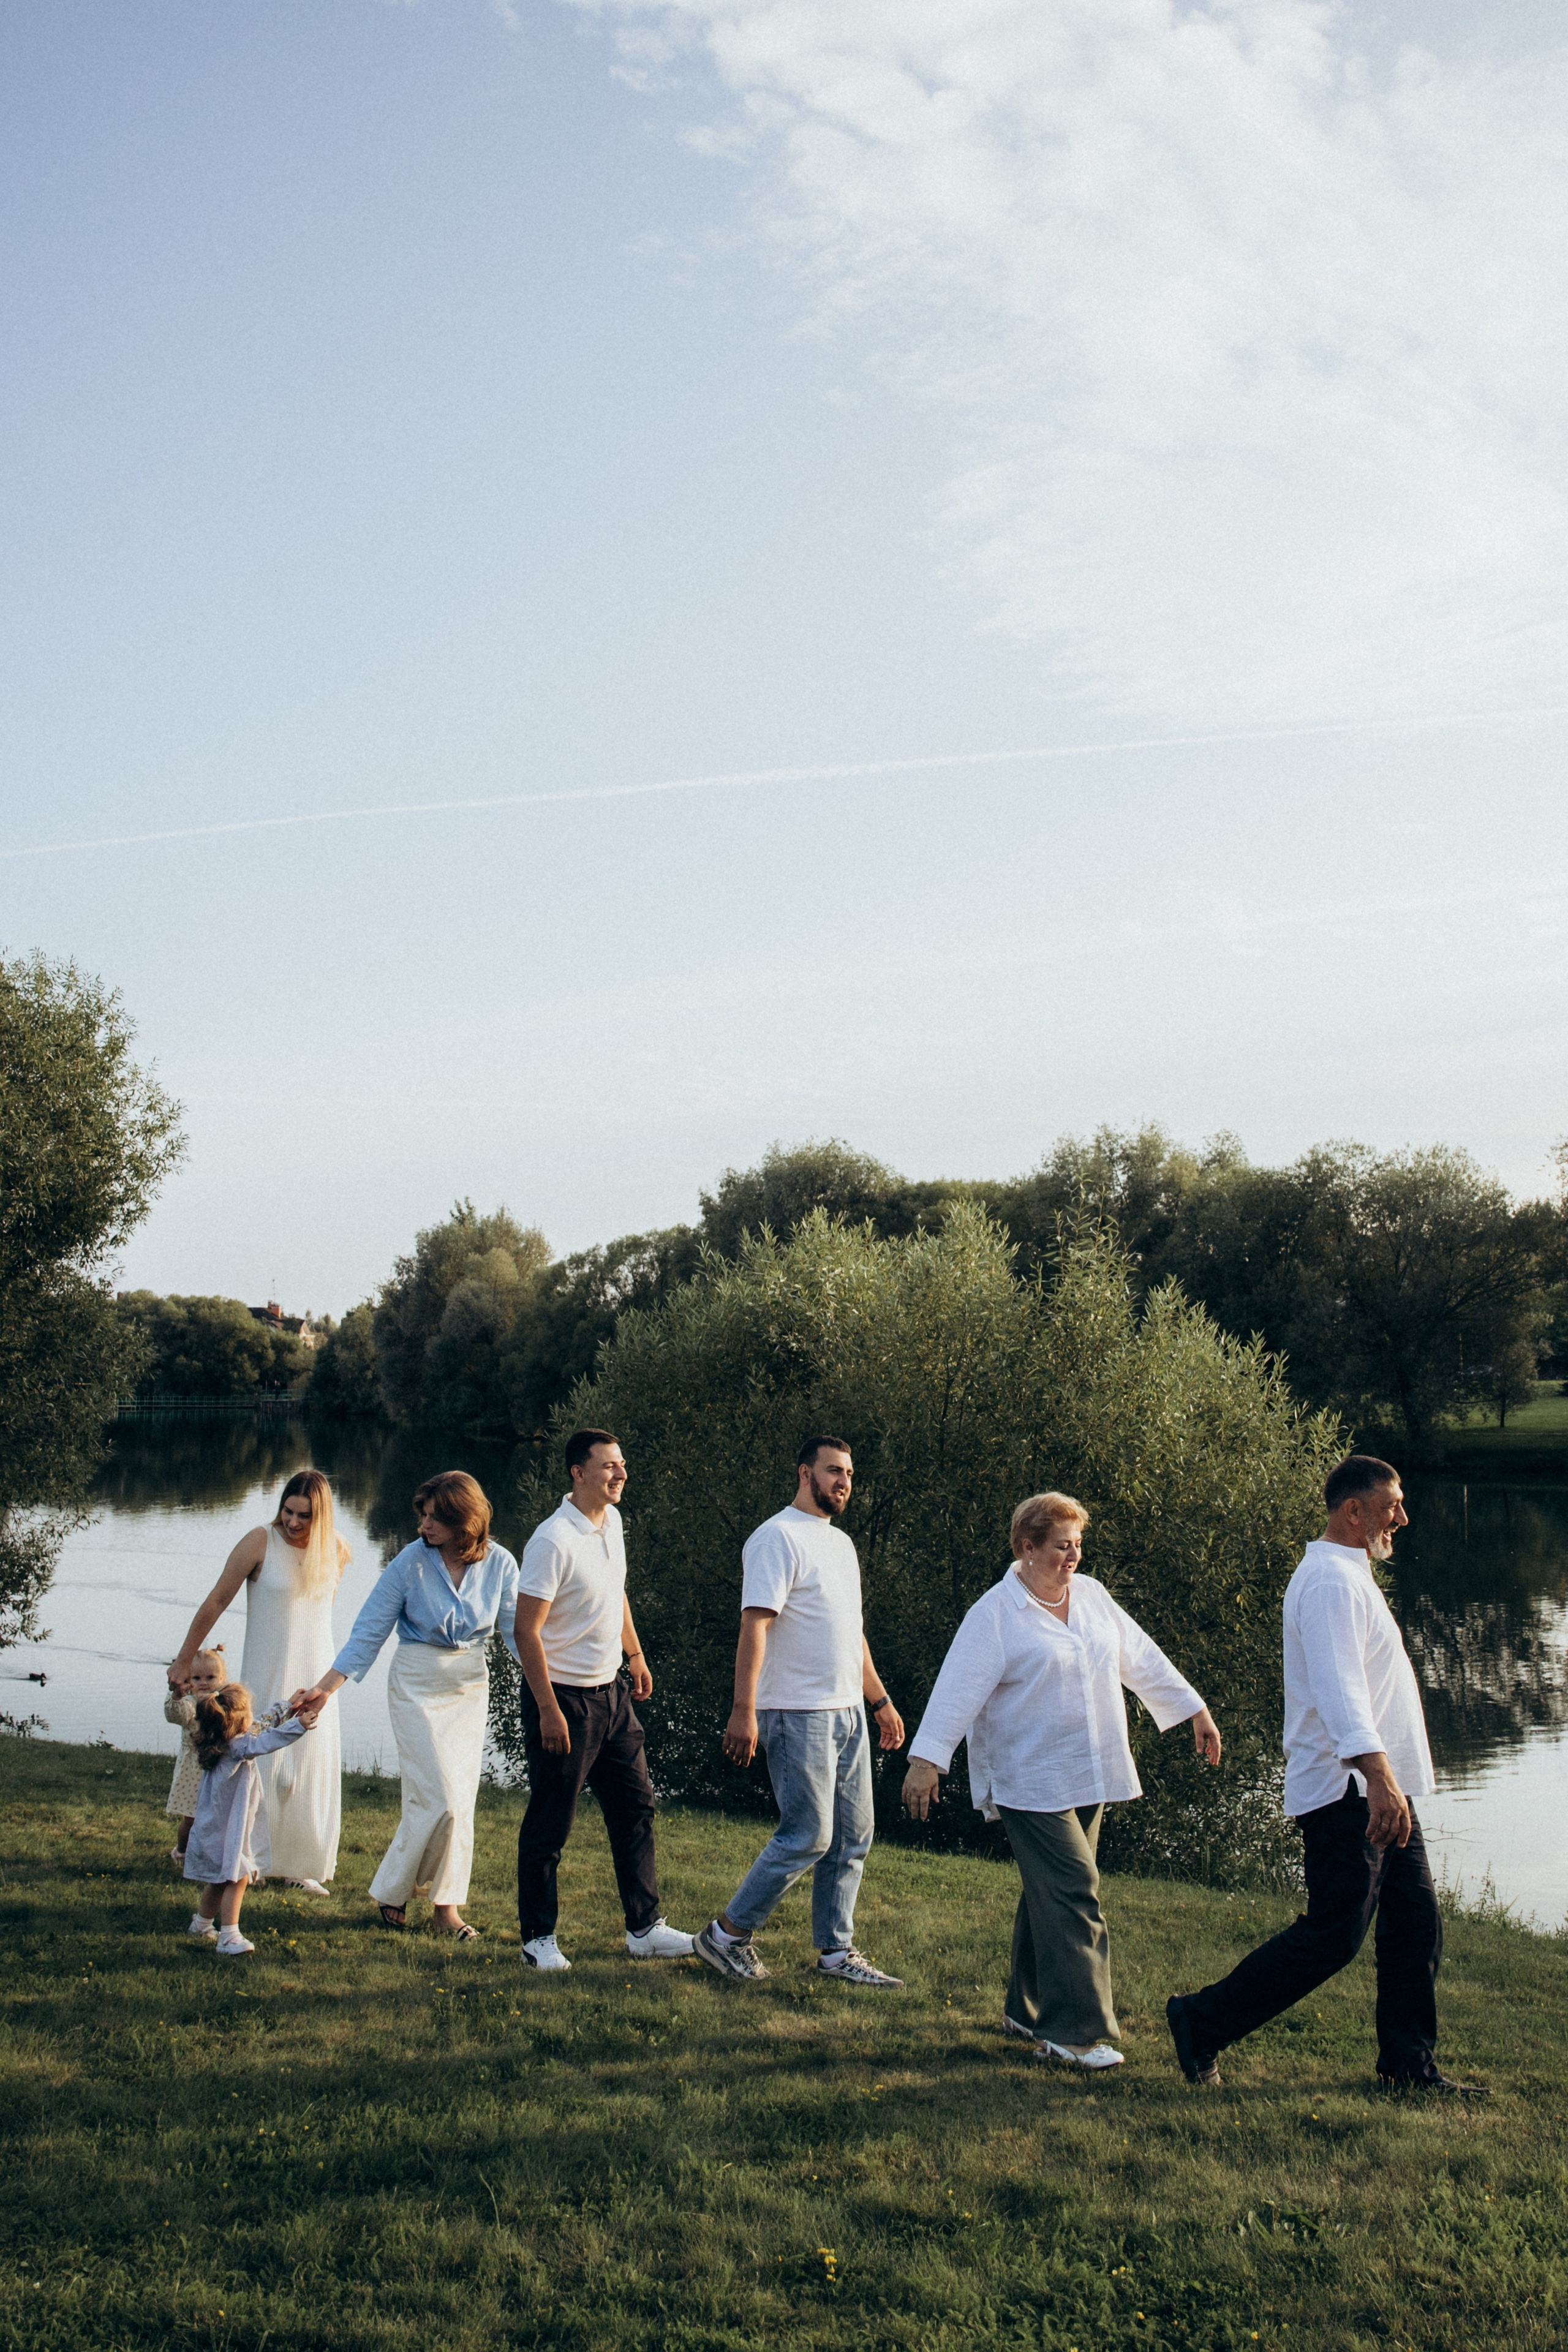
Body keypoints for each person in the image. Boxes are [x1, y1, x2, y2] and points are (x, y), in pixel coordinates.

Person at [1166, 1455, 1485, 2097]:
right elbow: (1341, 1693)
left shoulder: (1348, 1573)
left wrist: (1388, 1782)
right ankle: (1201, 2020)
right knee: (1335, 1935)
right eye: (1391, 1505)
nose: (1402, 1517)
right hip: (1349, 1790)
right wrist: (1378, 1779)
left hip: (1377, 1786)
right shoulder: (1330, 1583)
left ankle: (1408, 2067)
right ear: (1354, 1511)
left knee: (1416, 1924)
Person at [903, 1490, 1221, 2070]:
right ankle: (1071, 2034)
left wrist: (1193, 1709)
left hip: (1088, 1768)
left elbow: (1140, 1657)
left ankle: (1025, 2010)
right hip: (1028, 1777)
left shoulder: (1092, 1596)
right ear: (1027, 1547)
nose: (1073, 1556)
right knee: (1074, 1888)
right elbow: (957, 1689)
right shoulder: (996, 1614)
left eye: (1077, 1545)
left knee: (1049, 1892)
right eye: (1060, 1546)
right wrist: (927, 1762)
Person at [695, 1436, 905, 1988]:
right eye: (834, 1471)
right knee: (808, 1834)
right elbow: (755, 1625)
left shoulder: (840, 1544)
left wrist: (879, 1699)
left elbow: (851, 1633)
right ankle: (726, 1936)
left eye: (849, 1474)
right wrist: (744, 1710)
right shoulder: (777, 1537)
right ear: (805, 1474)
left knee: (853, 1836)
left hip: (847, 1711)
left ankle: (836, 1953)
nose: (844, 1483)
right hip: (796, 1711)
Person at [296, 1472, 517, 1940]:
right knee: (437, 1797)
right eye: (423, 1515)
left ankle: (444, 1911)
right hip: (416, 1683)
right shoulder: (409, 1562)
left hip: (469, 1686)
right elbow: (369, 1632)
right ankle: (396, 1889)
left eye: (435, 1517)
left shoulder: (500, 1564)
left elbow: (522, 1636)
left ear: (465, 1521)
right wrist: (325, 1689)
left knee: (459, 1803)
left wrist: (554, 1689)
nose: (424, 1525)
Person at [508, 1428, 695, 1971]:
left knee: (636, 1808)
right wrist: (548, 1710)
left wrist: (634, 1654)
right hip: (563, 1700)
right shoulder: (552, 1540)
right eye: (610, 1466)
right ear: (579, 1472)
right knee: (551, 1823)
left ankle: (645, 1928)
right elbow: (525, 1632)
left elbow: (616, 1592)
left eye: (622, 1464)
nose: (621, 1474)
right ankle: (538, 1939)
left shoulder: (612, 1522)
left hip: (613, 1697)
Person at [168, 1469, 350, 1896]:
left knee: (307, 1764)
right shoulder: (259, 1541)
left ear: (322, 1515)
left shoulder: (338, 1549)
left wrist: (329, 1683)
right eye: (288, 1511)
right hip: (267, 1666)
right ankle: (250, 1859)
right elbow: (217, 1600)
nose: (293, 1522)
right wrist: (183, 1658)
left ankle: (299, 1865)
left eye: (304, 1515)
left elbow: (322, 1614)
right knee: (261, 1760)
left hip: (317, 1669)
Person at [183, 1679, 319, 1956]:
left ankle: (201, 1924)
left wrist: (288, 1706)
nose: (252, 1718)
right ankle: (229, 1936)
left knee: (219, 1879)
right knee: (239, 1876)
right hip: (229, 1829)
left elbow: (261, 1725)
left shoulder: (220, 1743)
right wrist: (299, 1725)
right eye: (247, 1713)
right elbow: (268, 1740)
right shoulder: (239, 1747)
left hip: (216, 1826)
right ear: (237, 1722)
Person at [163, 1646, 228, 1862]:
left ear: (221, 1678)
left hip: (217, 1765)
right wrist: (177, 1695)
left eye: (210, 1677)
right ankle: (182, 1851)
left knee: (216, 1818)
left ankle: (209, 1854)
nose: (203, 1683)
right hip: (193, 1768)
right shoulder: (191, 1704)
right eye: (197, 1678)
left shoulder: (225, 1702)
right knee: (191, 1819)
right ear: (188, 1681)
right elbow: (176, 1715)